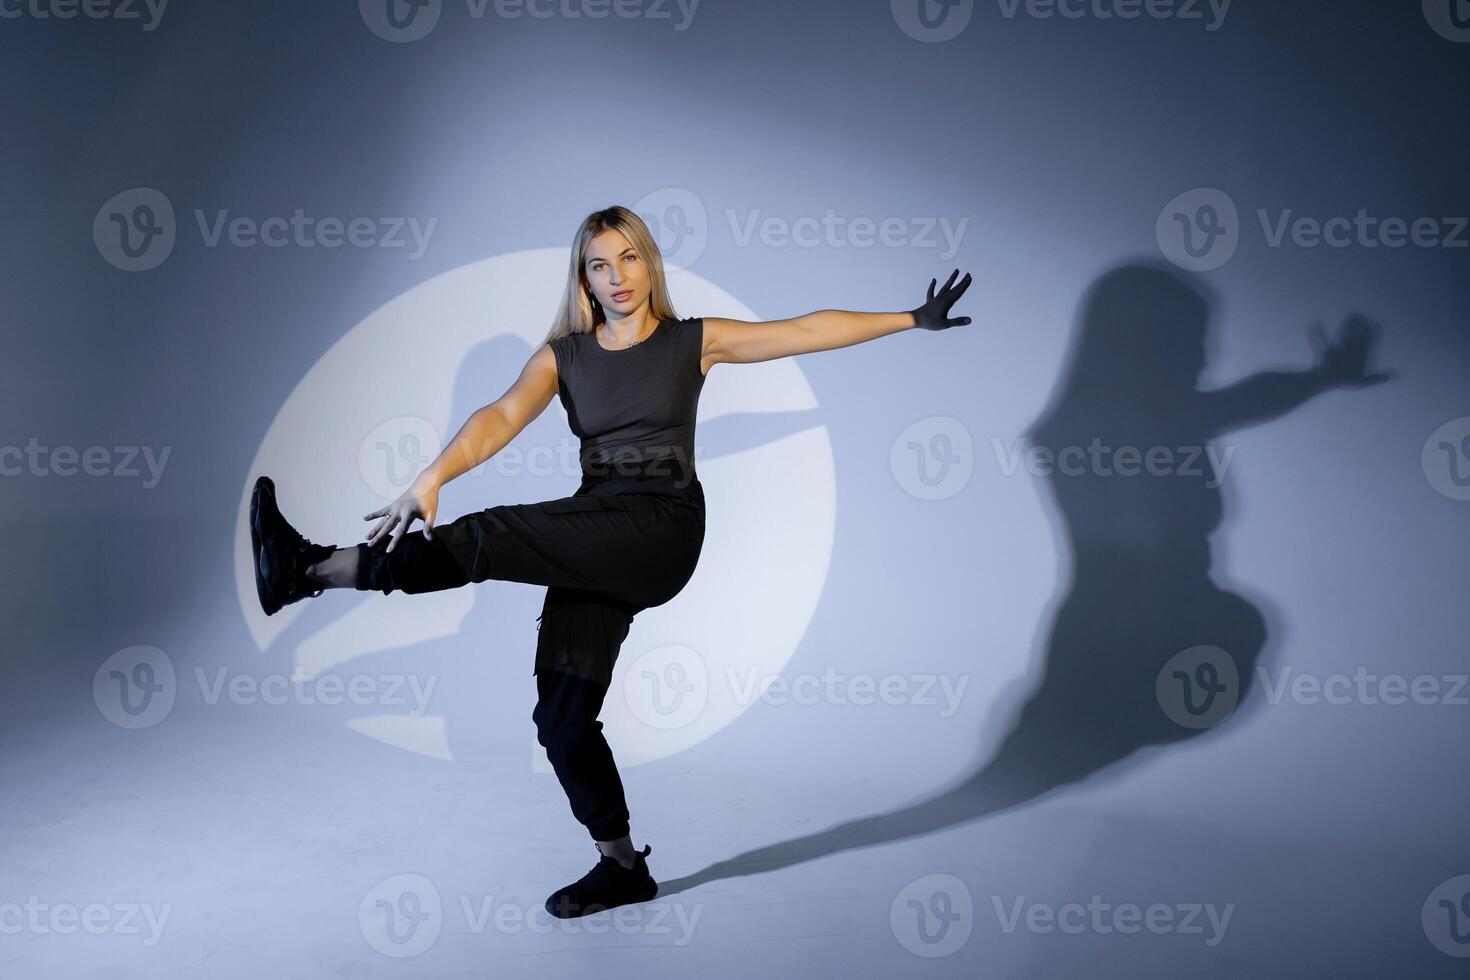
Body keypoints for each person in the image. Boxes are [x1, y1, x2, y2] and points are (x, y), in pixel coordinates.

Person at [248, 204, 973, 918]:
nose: (617, 275)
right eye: (600, 264)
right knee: (561, 720)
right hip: (595, 533)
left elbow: (805, 330)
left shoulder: (694, 342)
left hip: (661, 527)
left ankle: (314, 569)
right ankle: (622, 866)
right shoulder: (565, 356)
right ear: (584, 280)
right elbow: (499, 417)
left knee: (493, 532)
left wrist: (911, 318)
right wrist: (432, 476)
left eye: (629, 257)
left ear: (650, 265)